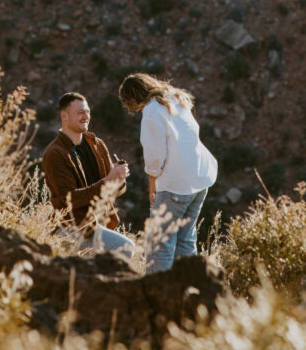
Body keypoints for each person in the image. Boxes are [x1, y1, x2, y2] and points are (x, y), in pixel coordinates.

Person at [118, 72, 217, 274]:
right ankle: (188, 289)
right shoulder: (176, 99)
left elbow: (155, 156)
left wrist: (152, 185)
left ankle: (157, 296)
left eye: (129, 103)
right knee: (186, 239)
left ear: (133, 98)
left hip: (176, 184)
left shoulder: (152, 111)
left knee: (159, 245)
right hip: (200, 178)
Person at [42, 91, 135, 260]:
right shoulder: (55, 153)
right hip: (72, 226)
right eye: (80, 113)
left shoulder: (97, 144)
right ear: (64, 116)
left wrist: (119, 178)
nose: (86, 116)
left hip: (98, 223)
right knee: (125, 247)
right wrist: (108, 180)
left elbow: (115, 189)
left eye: (87, 112)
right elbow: (70, 199)